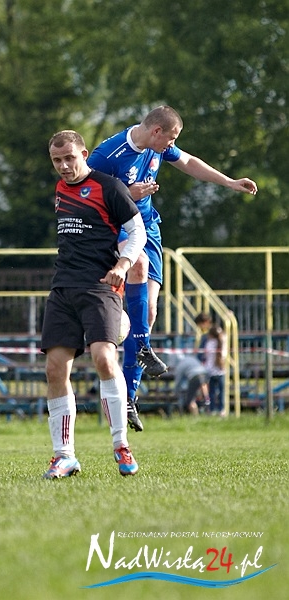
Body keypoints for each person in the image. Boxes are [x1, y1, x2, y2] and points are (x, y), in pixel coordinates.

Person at [88, 106, 257, 433]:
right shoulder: (108, 155)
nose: (172, 145)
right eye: (171, 138)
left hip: (148, 228)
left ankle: (129, 396)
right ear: (156, 132)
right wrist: (126, 194)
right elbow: (87, 197)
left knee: (150, 312)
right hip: (118, 227)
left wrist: (229, 182)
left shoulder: (158, 148)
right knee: (138, 264)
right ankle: (141, 349)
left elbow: (189, 162)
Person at [42, 130, 146, 479]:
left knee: (103, 358)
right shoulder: (60, 190)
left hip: (101, 286)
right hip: (63, 287)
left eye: (69, 158)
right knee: (55, 368)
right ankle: (64, 456)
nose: (63, 166)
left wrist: (122, 265)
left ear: (84, 154)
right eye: (57, 160)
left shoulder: (109, 187)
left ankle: (121, 445)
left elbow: (137, 231)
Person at [202, 322, 227, 416]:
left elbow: (205, 355)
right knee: (221, 392)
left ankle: (212, 409)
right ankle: (222, 410)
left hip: (210, 370)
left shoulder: (209, 343)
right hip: (221, 370)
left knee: (211, 392)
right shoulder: (222, 342)